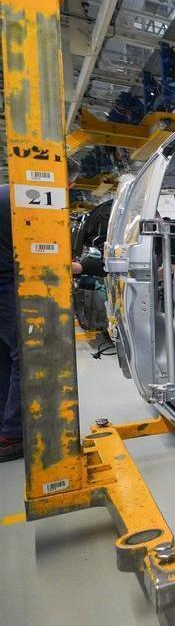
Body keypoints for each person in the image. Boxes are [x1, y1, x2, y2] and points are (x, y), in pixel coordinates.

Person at [0, 183, 23, 462]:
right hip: (5, 285)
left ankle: (5, 425)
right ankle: (13, 434)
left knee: (5, 356)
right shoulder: (31, 196)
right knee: (25, 356)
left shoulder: (7, 191)